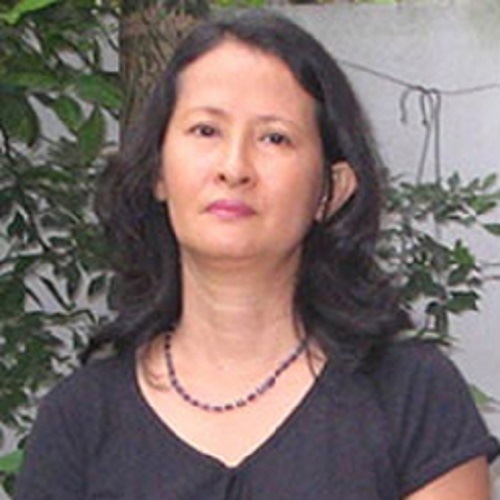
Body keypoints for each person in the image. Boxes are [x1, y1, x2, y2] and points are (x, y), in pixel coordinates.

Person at [14, 9, 499, 499]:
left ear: (331, 190)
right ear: (158, 171)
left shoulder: (410, 394)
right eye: (206, 130)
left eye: (274, 138)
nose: (234, 167)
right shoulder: (80, 419)